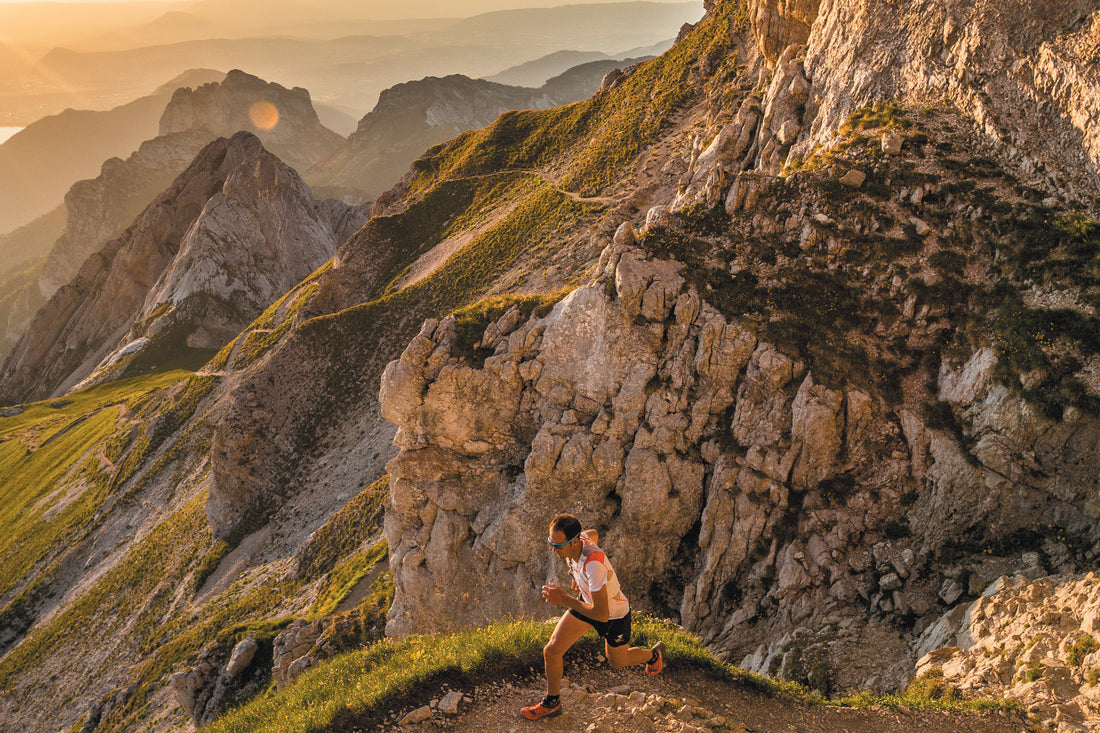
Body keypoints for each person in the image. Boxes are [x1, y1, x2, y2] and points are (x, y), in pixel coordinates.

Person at [521, 513, 665, 721]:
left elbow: (601, 614)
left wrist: (563, 598)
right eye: (551, 543)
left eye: (558, 546)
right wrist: (577, 580)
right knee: (552, 651)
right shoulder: (583, 540)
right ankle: (552, 703)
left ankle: (653, 655)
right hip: (588, 604)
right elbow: (594, 534)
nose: (553, 550)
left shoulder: (594, 566)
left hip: (614, 616)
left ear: (575, 542)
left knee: (618, 661)